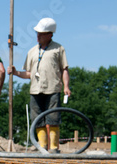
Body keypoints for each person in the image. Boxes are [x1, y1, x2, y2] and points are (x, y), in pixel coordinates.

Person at [8, 17, 71, 154]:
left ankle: (54, 147)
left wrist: (66, 86)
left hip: (53, 89)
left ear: (50, 34)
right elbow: (29, 73)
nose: (38, 36)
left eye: (41, 34)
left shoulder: (58, 49)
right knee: (37, 119)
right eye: (37, 33)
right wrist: (16, 72)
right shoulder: (32, 51)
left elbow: (64, 69)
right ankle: (42, 147)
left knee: (53, 118)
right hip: (35, 90)